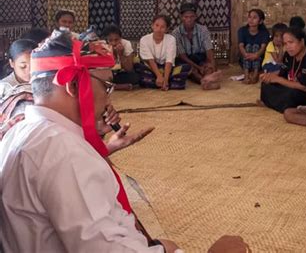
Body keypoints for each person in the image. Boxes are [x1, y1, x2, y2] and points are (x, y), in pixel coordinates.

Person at [0, 32, 251, 253]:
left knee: (166, 244)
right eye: (106, 86)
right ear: (73, 86)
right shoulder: (64, 152)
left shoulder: (21, 132)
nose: (110, 97)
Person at [259, 26, 306, 113]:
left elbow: (304, 87)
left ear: (302, 41)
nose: (288, 47)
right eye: (285, 44)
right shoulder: (289, 55)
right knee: (266, 85)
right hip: (294, 85)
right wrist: (269, 76)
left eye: (291, 42)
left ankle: (289, 107)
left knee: (291, 94)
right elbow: (282, 72)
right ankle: (280, 105)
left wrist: (277, 79)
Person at [136, 15, 191, 91]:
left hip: (167, 68)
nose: (159, 29)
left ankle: (160, 83)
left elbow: (169, 61)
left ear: (167, 29)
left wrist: (165, 78)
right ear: (152, 26)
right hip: (151, 68)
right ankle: (166, 83)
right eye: (157, 25)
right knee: (137, 63)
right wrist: (159, 76)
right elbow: (150, 61)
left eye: (162, 27)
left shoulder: (171, 39)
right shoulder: (144, 39)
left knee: (185, 67)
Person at [172, 2, 217, 85]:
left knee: (208, 67)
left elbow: (209, 51)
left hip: (200, 57)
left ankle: (208, 77)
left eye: (192, 16)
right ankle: (204, 81)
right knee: (190, 70)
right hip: (187, 60)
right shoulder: (176, 33)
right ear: (181, 17)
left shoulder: (203, 29)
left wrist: (211, 66)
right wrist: (198, 67)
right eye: (186, 17)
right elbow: (183, 56)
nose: (189, 19)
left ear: (196, 17)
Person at [103, 24, 140, 90]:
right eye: (110, 40)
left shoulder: (126, 44)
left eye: (116, 40)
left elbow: (129, 68)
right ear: (106, 40)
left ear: (120, 38)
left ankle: (111, 86)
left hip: (121, 74)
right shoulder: (103, 45)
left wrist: (121, 54)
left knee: (135, 77)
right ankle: (119, 86)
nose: (113, 43)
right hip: (108, 74)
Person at [238, 9, 270, 84]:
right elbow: (241, 46)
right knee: (248, 46)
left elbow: (263, 48)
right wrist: (246, 55)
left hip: (259, 60)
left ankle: (255, 74)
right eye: (249, 17)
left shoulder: (264, 32)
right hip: (245, 58)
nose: (251, 20)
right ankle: (246, 75)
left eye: (254, 18)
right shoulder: (242, 30)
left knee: (256, 46)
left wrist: (256, 55)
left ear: (261, 21)